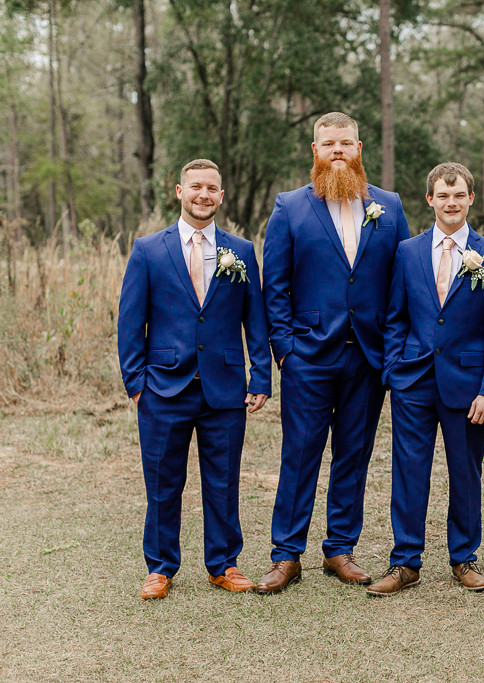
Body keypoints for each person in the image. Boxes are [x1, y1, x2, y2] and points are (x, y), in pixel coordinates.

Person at [257, 112, 410, 594]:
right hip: (308, 356)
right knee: (299, 455)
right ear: (315, 150)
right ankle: (286, 555)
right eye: (329, 143)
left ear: (359, 148)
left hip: (368, 356)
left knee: (353, 455)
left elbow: (403, 282)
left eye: (345, 142)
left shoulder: (389, 205)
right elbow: (274, 286)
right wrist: (286, 351)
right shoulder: (289, 207)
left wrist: (393, 351)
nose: (337, 150)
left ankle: (340, 549)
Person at [117, 158, 271, 600]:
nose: (204, 195)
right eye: (196, 186)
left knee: (223, 481)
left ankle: (223, 564)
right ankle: (160, 567)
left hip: (225, 386)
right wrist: (136, 384)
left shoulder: (241, 251)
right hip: (163, 387)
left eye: (211, 188)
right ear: (180, 192)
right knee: (162, 482)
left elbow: (254, 319)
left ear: (221, 196)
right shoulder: (148, 249)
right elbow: (131, 322)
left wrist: (261, 376)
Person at [367, 163, 484, 596]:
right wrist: (394, 369)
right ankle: (405, 561)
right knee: (408, 472)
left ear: (471, 199)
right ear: (430, 199)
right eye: (443, 196)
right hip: (413, 381)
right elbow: (395, 317)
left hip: (467, 386)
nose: (452, 203)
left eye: (459, 195)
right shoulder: (408, 251)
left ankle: (463, 558)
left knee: (465, 472)